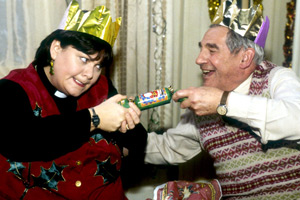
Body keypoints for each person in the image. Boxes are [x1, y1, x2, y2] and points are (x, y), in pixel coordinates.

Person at [145, 0, 300, 199]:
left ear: (245, 58)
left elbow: (296, 120)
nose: (199, 59)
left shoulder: (276, 78)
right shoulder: (205, 102)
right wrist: (117, 143)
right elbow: (168, 148)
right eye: (201, 49)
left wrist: (224, 102)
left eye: (212, 50)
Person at [0, 1, 147, 199]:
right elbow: (22, 140)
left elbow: (137, 140)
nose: (90, 74)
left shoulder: (101, 86)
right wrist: (94, 119)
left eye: (98, 66)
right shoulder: (12, 88)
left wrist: (128, 123)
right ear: (55, 49)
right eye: (84, 59)